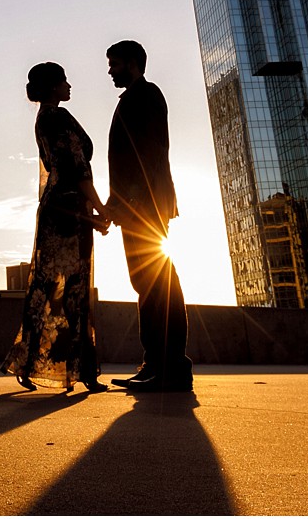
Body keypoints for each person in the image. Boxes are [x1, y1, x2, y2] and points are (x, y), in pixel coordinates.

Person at [2, 62, 111, 393]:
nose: (69, 85)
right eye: (64, 80)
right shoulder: (58, 119)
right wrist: (99, 207)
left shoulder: (42, 120)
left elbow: (56, 169)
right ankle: (82, 371)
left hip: (54, 206)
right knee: (74, 288)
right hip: (71, 210)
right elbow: (78, 169)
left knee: (48, 286)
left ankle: (31, 362)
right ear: (52, 86)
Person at [104, 39, 192, 392]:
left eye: (114, 63)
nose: (110, 70)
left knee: (159, 285)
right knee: (147, 285)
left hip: (146, 205)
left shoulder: (147, 95)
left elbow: (152, 152)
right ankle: (156, 363)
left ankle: (172, 367)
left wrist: (135, 199)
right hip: (137, 204)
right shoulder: (133, 98)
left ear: (133, 63)